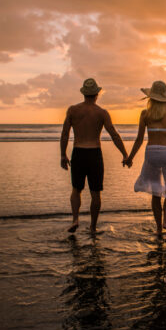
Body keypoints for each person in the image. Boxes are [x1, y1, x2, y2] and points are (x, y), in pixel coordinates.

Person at [60, 78, 129, 233]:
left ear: (84, 94)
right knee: (95, 193)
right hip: (94, 154)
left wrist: (63, 155)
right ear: (97, 94)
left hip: (78, 152)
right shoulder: (102, 113)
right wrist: (125, 154)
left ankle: (75, 219)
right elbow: (114, 134)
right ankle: (92, 227)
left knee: (76, 189)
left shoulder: (72, 110)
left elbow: (65, 134)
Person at [124, 80, 166, 235]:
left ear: (150, 98)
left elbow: (139, 139)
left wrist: (130, 157)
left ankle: (159, 229)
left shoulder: (145, 114)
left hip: (151, 152)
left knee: (155, 191)